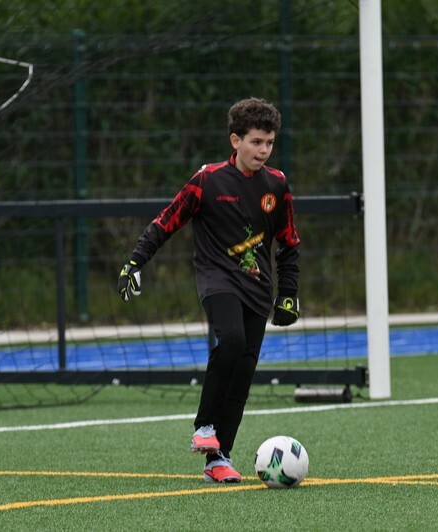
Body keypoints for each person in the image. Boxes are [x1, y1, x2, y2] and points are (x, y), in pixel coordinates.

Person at [117, 97, 301, 483]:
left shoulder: (277, 184)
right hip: (216, 279)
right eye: (256, 142)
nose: (263, 150)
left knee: (244, 372)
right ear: (236, 140)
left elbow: (288, 243)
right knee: (231, 340)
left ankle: (219, 458)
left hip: (257, 288)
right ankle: (204, 426)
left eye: (269, 143)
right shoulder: (208, 180)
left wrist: (288, 292)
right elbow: (167, 221)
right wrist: (135, 262)